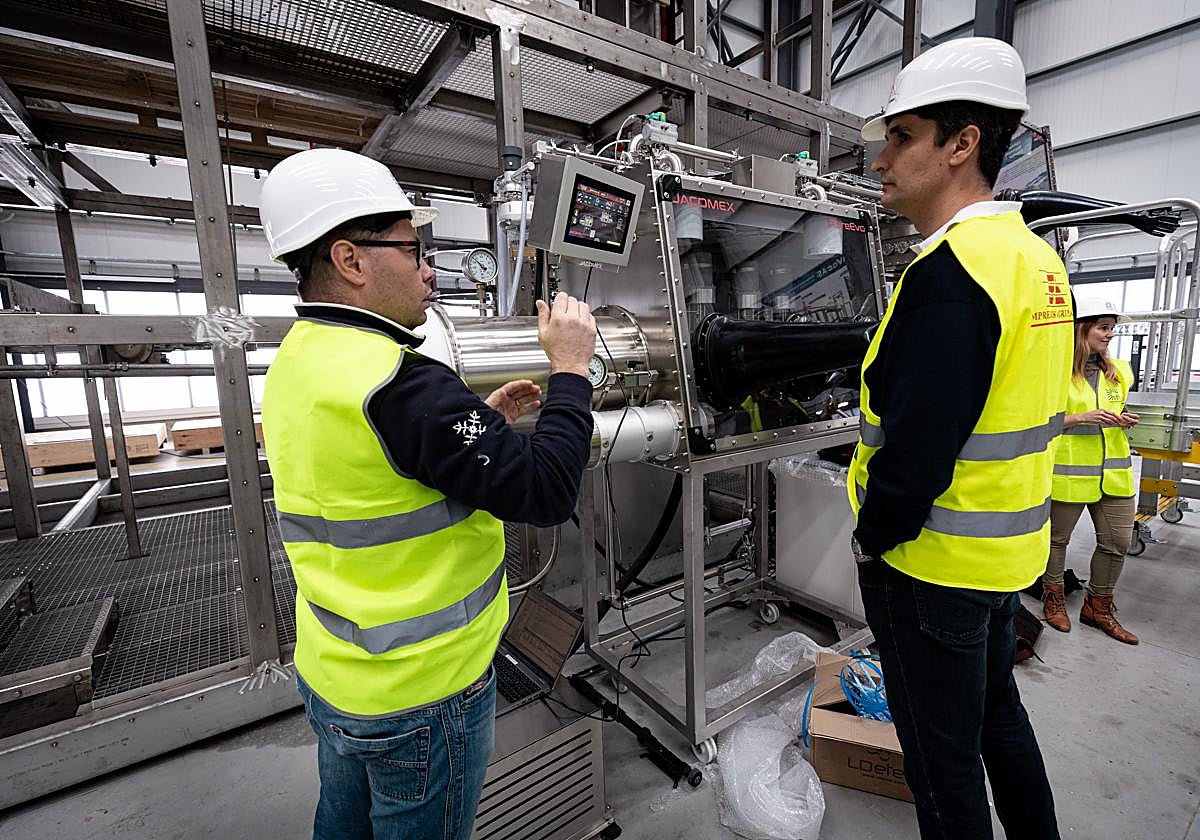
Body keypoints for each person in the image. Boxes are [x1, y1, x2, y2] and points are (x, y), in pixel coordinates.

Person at [257, 148, 597, 840]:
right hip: (425, 694)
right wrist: (571, 371)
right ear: (351, 260)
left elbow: (373, 474)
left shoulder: (299, 357)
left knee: (342, 828)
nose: (429, 269)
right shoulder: (404, 384)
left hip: (337, 676)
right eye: (414, 251)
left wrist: (482, 429)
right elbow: (550, 489)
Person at [846, 37, 1071, 839]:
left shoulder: (951, 273)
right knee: (997, 722)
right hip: (1004, 556)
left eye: (902, 136)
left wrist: (873, 540)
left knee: (940, 768)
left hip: (931, 566)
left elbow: (917, 449)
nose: (880, 158)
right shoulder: (1035, 260)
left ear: (962, 143)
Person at [1041, 297, 1140, 644]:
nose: (1110, 334)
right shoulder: (1054, 374)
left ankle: (1097, 607)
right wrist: (1080, 418)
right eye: (1103, 327)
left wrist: (1124, 419)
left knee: (1117, 543)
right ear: (1082, 330)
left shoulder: (1120, 373)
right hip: (1069, 474)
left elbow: (1116, 410)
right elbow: (1039, 423)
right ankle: (1052, 598)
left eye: (1112, 328)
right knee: (1056, 541)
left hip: (1114, 474)